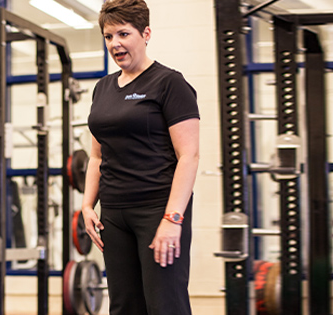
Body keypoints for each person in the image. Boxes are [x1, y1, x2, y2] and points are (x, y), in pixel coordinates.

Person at [78, 0, 200, 314]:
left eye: (123, 34)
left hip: (157, 210)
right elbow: (96, 155)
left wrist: (173, 219)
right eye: (108, 36)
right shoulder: (102, 88)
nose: (115, 44)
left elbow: (189, 155)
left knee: (164, 305)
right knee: (123, 306)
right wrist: (88, 205)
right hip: (114, 214)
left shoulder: (169, 83)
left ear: (145, 34)